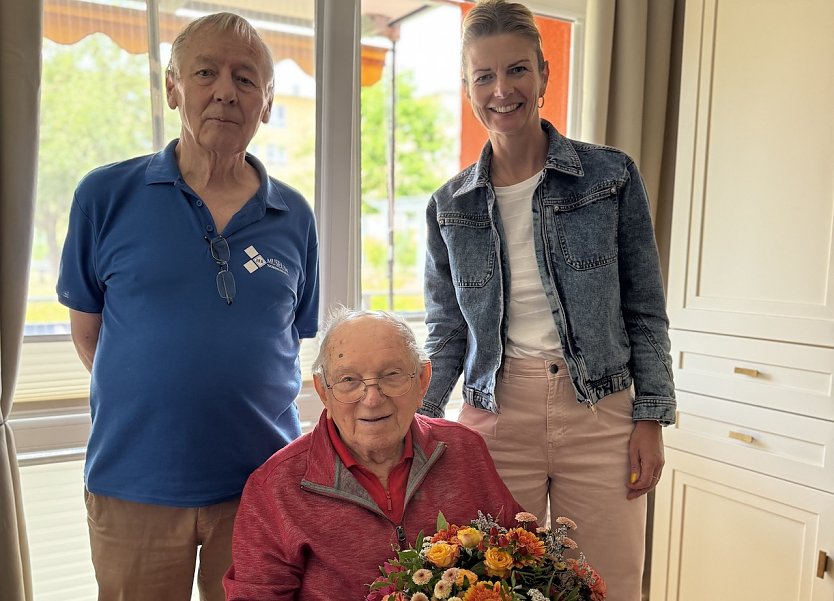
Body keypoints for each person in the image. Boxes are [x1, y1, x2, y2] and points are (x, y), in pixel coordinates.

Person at [55, 13, 319, 601]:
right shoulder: (104, 196)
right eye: (206, 72)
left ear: (268, 102)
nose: (226, 90)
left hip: (260, 489)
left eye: (246, 79)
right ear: (173, 87)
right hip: (133, 489)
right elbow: (88, 333)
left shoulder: (295, 217)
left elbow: (287, 340)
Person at [420, 1, 675, 598]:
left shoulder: (609, 177)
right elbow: (448, 331)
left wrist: (651, 415)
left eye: (517, 70)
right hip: (497, 414)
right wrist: (424, 423)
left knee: (607, 585)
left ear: (543, 75)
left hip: (601, 411)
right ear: (466, 87)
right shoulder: (450, 206)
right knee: (495, 585)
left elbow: (644, 306)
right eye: (483, 75)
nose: (501, 90)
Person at [223, 307, 526, 600]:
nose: (372, 398)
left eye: (391, 374)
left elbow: (521, 551)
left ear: (422, 380)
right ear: (323, 390)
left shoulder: (464, 449)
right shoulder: (275, 488)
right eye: (348, 380)